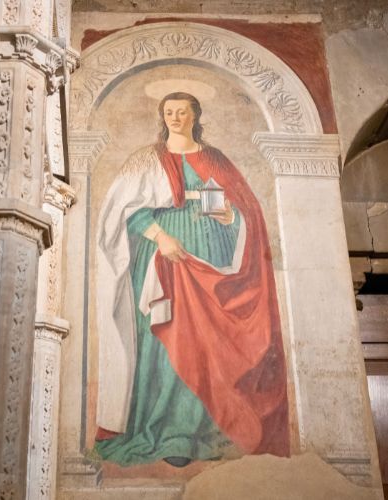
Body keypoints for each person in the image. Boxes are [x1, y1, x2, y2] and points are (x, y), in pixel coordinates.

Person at [94, 92, 289, 467]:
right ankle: (167, 431)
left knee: (209, 343)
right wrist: (160, 237)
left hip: (212, 259)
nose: (175, 117)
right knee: (168, 343)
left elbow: (245, 211)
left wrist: (232, 218)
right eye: (169, 112)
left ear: (195, 115)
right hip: (165, 258)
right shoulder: (146, 160)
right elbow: (121, 213)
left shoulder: (216, 159)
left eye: (183, 112)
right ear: (162, 116)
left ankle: (206, 429)